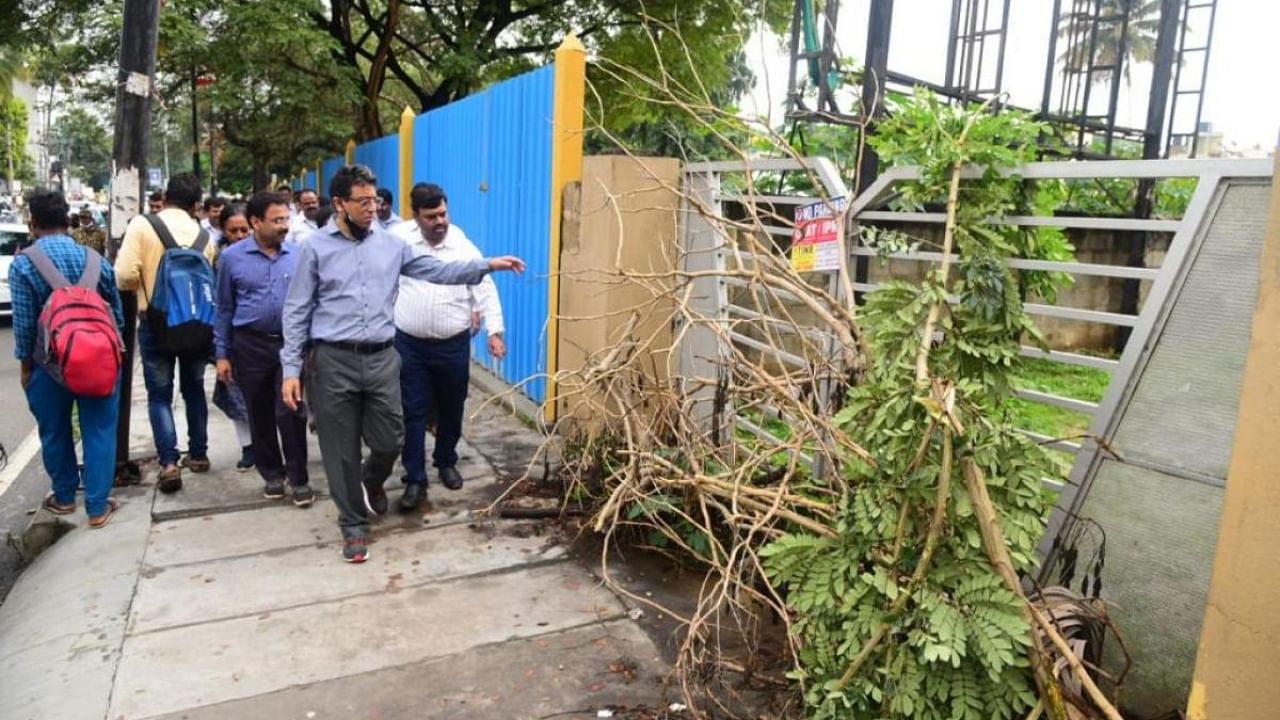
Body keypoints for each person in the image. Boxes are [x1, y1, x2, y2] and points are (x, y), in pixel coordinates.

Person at [280, 164, 525, 563]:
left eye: (375, 201)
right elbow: (296, 310)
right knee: (340, 448)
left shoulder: (392, 245)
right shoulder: (315, 248)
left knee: (391, 438)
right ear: (339, 204)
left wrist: (488, 264)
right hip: (332, 359)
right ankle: (354, 525)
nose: (372, 209)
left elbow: (439, 271)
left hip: (381, 358)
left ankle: (370, 480)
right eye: (363, 202)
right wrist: (291, 370)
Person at [10, 189, 125, 526]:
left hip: (49, 365)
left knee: (55, 430)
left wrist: (26, 368)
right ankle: (97, 506)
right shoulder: (96, 261)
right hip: (100, 361)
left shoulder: (24, 264)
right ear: (68, 222)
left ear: (32, 223)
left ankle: (63, 497)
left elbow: (25, 325)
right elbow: (116, 316)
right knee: (100, 429)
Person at [392, 183, 506, 511]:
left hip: (452, 346)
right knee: (412, 410)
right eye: (431, 216)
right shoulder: (399, 241)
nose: (440, 221)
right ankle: (414, 478)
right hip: (409, 345)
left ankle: (445, 461)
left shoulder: (461, 243)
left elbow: (485, 288)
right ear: (416, 216)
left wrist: (494, 331)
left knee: (451, 406)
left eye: (443, 213)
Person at [116, 173, 218, 493]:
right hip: (197, 324)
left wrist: (147, 286)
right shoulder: (204, 236)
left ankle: (170, 463)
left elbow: (123, 276)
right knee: (194, 389)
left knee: (160, 396)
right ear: (195, 204)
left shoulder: (143, 226)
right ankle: (199, 455)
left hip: (155, 324)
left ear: (165, 195)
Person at [216, 192, 313, 506]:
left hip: (290, 344)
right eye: (277, 220)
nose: (284, 225)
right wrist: (222, 354)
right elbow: (224, 309)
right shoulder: (232, 259)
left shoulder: (299, 255)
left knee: (292, 410)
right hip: (250, 345)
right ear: (256, 222)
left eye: (286, 218)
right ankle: (272, 474)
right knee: (258, 412)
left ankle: (299, 479)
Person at [211, 203, 256, 472]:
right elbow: (222, 307)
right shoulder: (221, 260)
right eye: (233, 230)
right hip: (235, 336)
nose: (239, 235)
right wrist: (221, 350)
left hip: (265, 337)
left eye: (244, 230)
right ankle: (249, 446)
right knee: (237, 394)